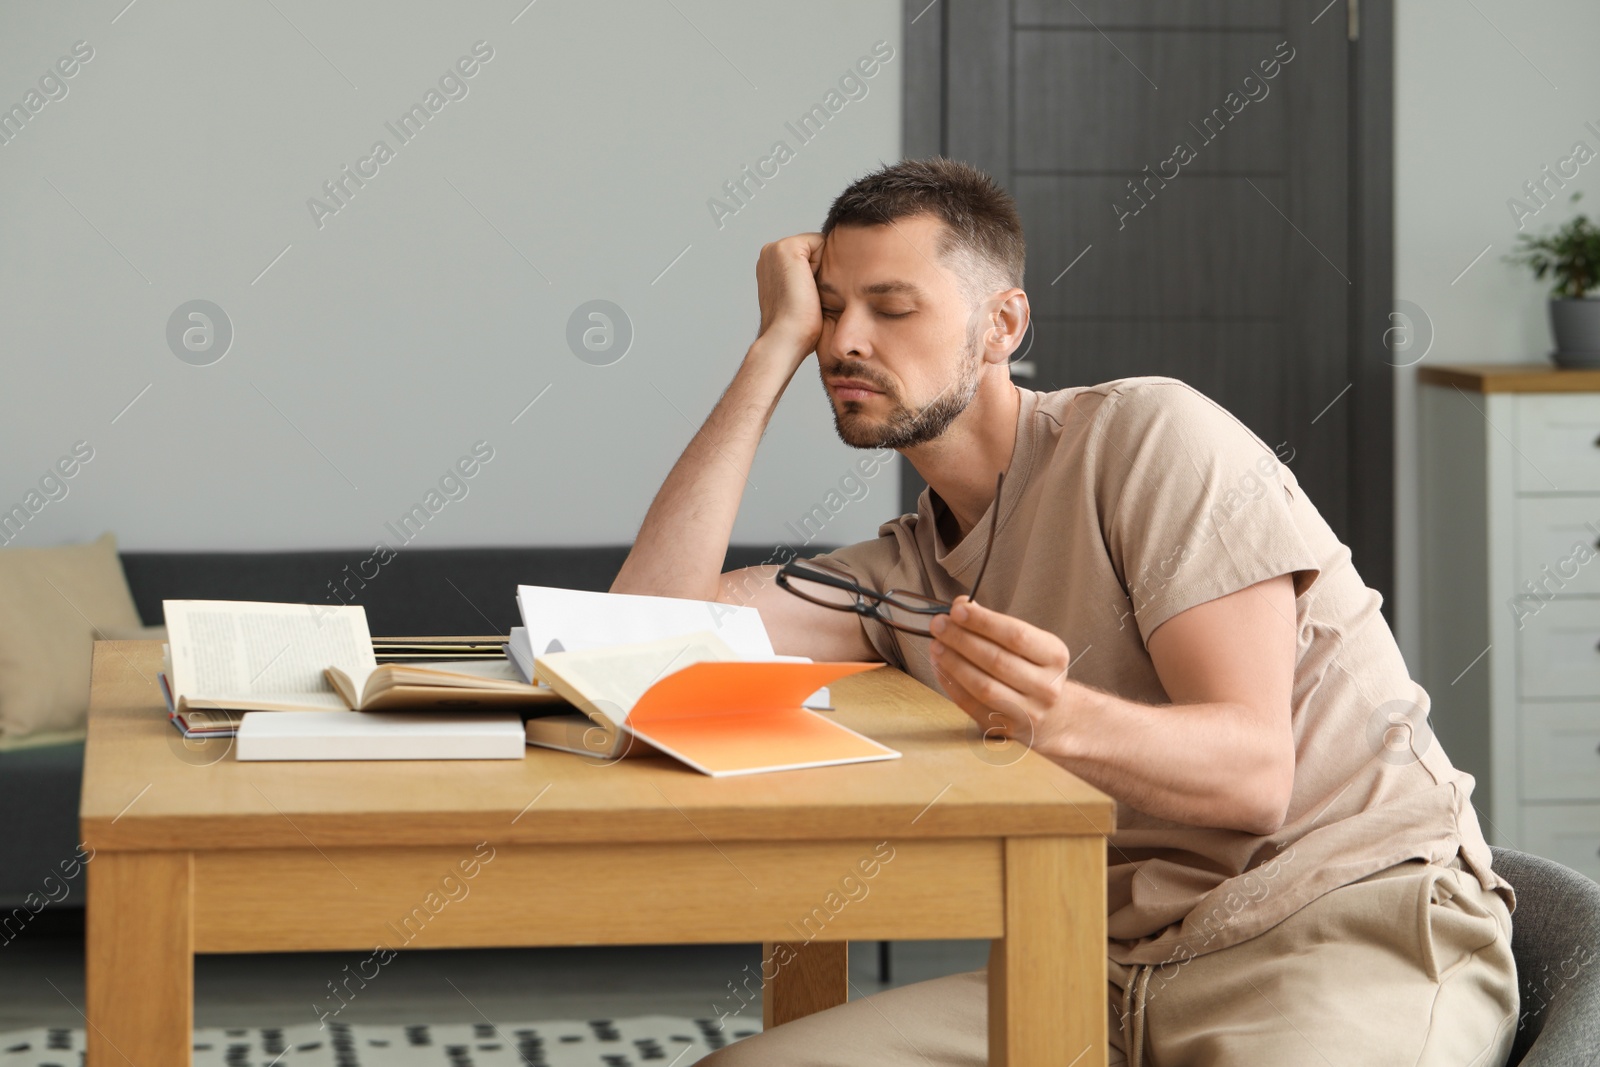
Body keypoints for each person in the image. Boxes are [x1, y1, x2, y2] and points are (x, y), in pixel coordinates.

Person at [611, 157, 1518, 1066]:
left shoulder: (1149, 437)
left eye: (891, 308)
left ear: (1001, 325)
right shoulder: (904, 572)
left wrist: (1056, 717)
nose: (847, 341)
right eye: (831, 312)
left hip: (1342, 927)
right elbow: (639, 638)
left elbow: (1253, 776)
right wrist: (772, 347)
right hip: (1113, 971)